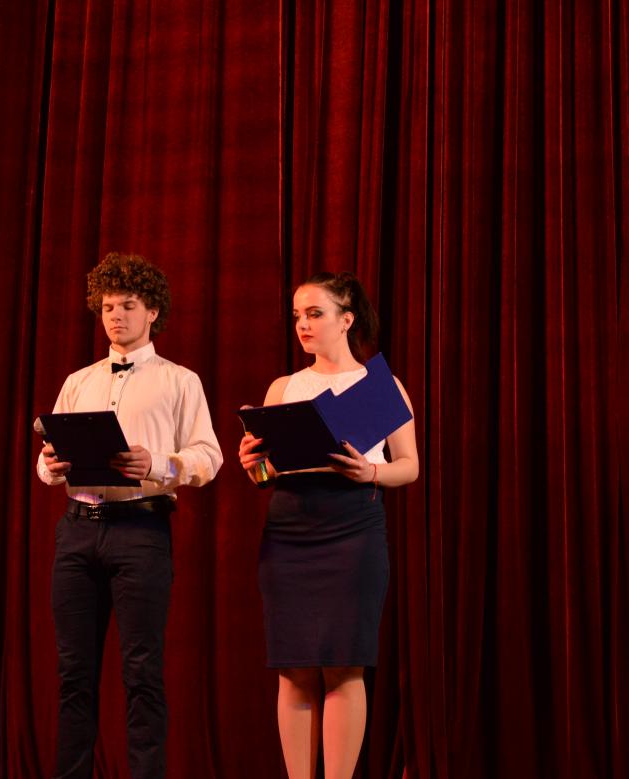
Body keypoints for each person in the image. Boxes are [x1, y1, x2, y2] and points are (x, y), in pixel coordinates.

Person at [37, 252, 223, 779]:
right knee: (74, 674)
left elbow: (209, 458)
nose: (115, 316)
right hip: (78, 530)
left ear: (153, 311)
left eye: (128, 305)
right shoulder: (78, 381)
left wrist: (157, 464)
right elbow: (46, 463)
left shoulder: (180, 381)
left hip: (141, 530)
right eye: (107, 307)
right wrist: (50, 464)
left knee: (142, 673)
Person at [237, 271, 419, 779]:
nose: (303, 324)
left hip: (352, 526)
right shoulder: (284, 387)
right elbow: (267, 475)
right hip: (290, 527)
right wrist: (253, 465)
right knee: (293, 667)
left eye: (315, 313)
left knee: (343, 664)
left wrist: (370, 472)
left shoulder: (380, 387)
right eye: (298, 315)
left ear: (347, 319)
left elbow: (409, 466)